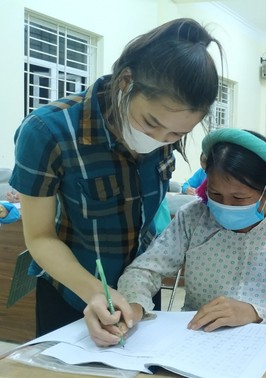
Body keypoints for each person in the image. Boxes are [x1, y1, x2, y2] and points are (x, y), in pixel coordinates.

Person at [9, 18, 223, 336]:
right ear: (125, 82)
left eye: (176, 133)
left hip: (140, 295)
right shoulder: (47, 132)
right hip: (70, 293)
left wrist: (136, 294)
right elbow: (39, 237)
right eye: (150, 123)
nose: (159, 139)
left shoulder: (164, 134)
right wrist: (95, 292)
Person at [84, 128, 266, 346]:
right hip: (195, 342)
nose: (225, 205)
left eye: (238, 198)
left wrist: (254, 313)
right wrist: (133, 306)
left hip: (262, 349)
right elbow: (144, 270)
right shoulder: (194, 218)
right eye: (215, 194)